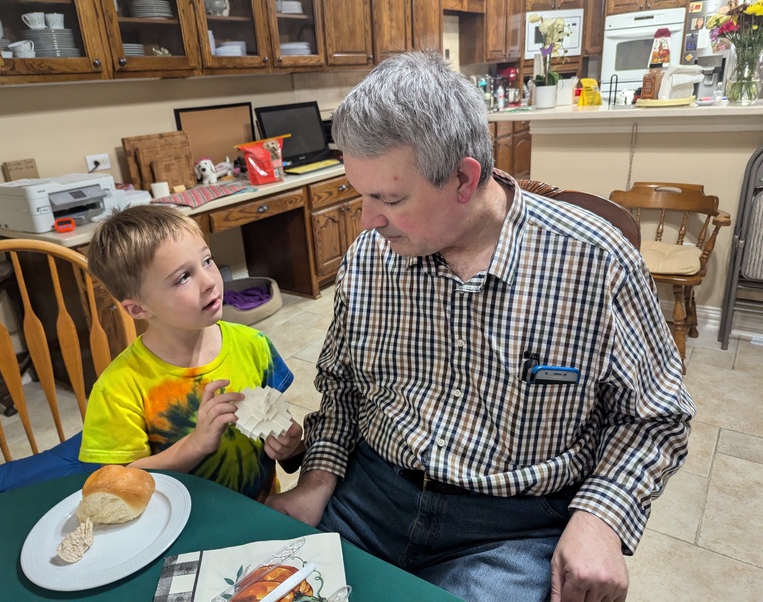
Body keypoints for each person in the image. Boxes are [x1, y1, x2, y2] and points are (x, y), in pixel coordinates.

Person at [266, 51, 694, 601]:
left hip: (510, 529)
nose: (369, 220)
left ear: (465, 179)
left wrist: (600, 518)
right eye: (361, 194)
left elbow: (656, 417)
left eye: (389, 198)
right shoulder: (370, 258)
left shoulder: (594, 260)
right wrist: (318, 480)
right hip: (370, 496)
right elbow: (343, 388)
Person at [80, 205, 303, 501]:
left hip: (260, 513)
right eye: (182, 277)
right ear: (138, 309)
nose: (210, 280)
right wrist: (195, 444)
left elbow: (287, 447)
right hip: (184, 532)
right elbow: (115, 487)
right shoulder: (118, 389)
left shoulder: (254, 345)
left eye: (207, 261)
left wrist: (291, 447)